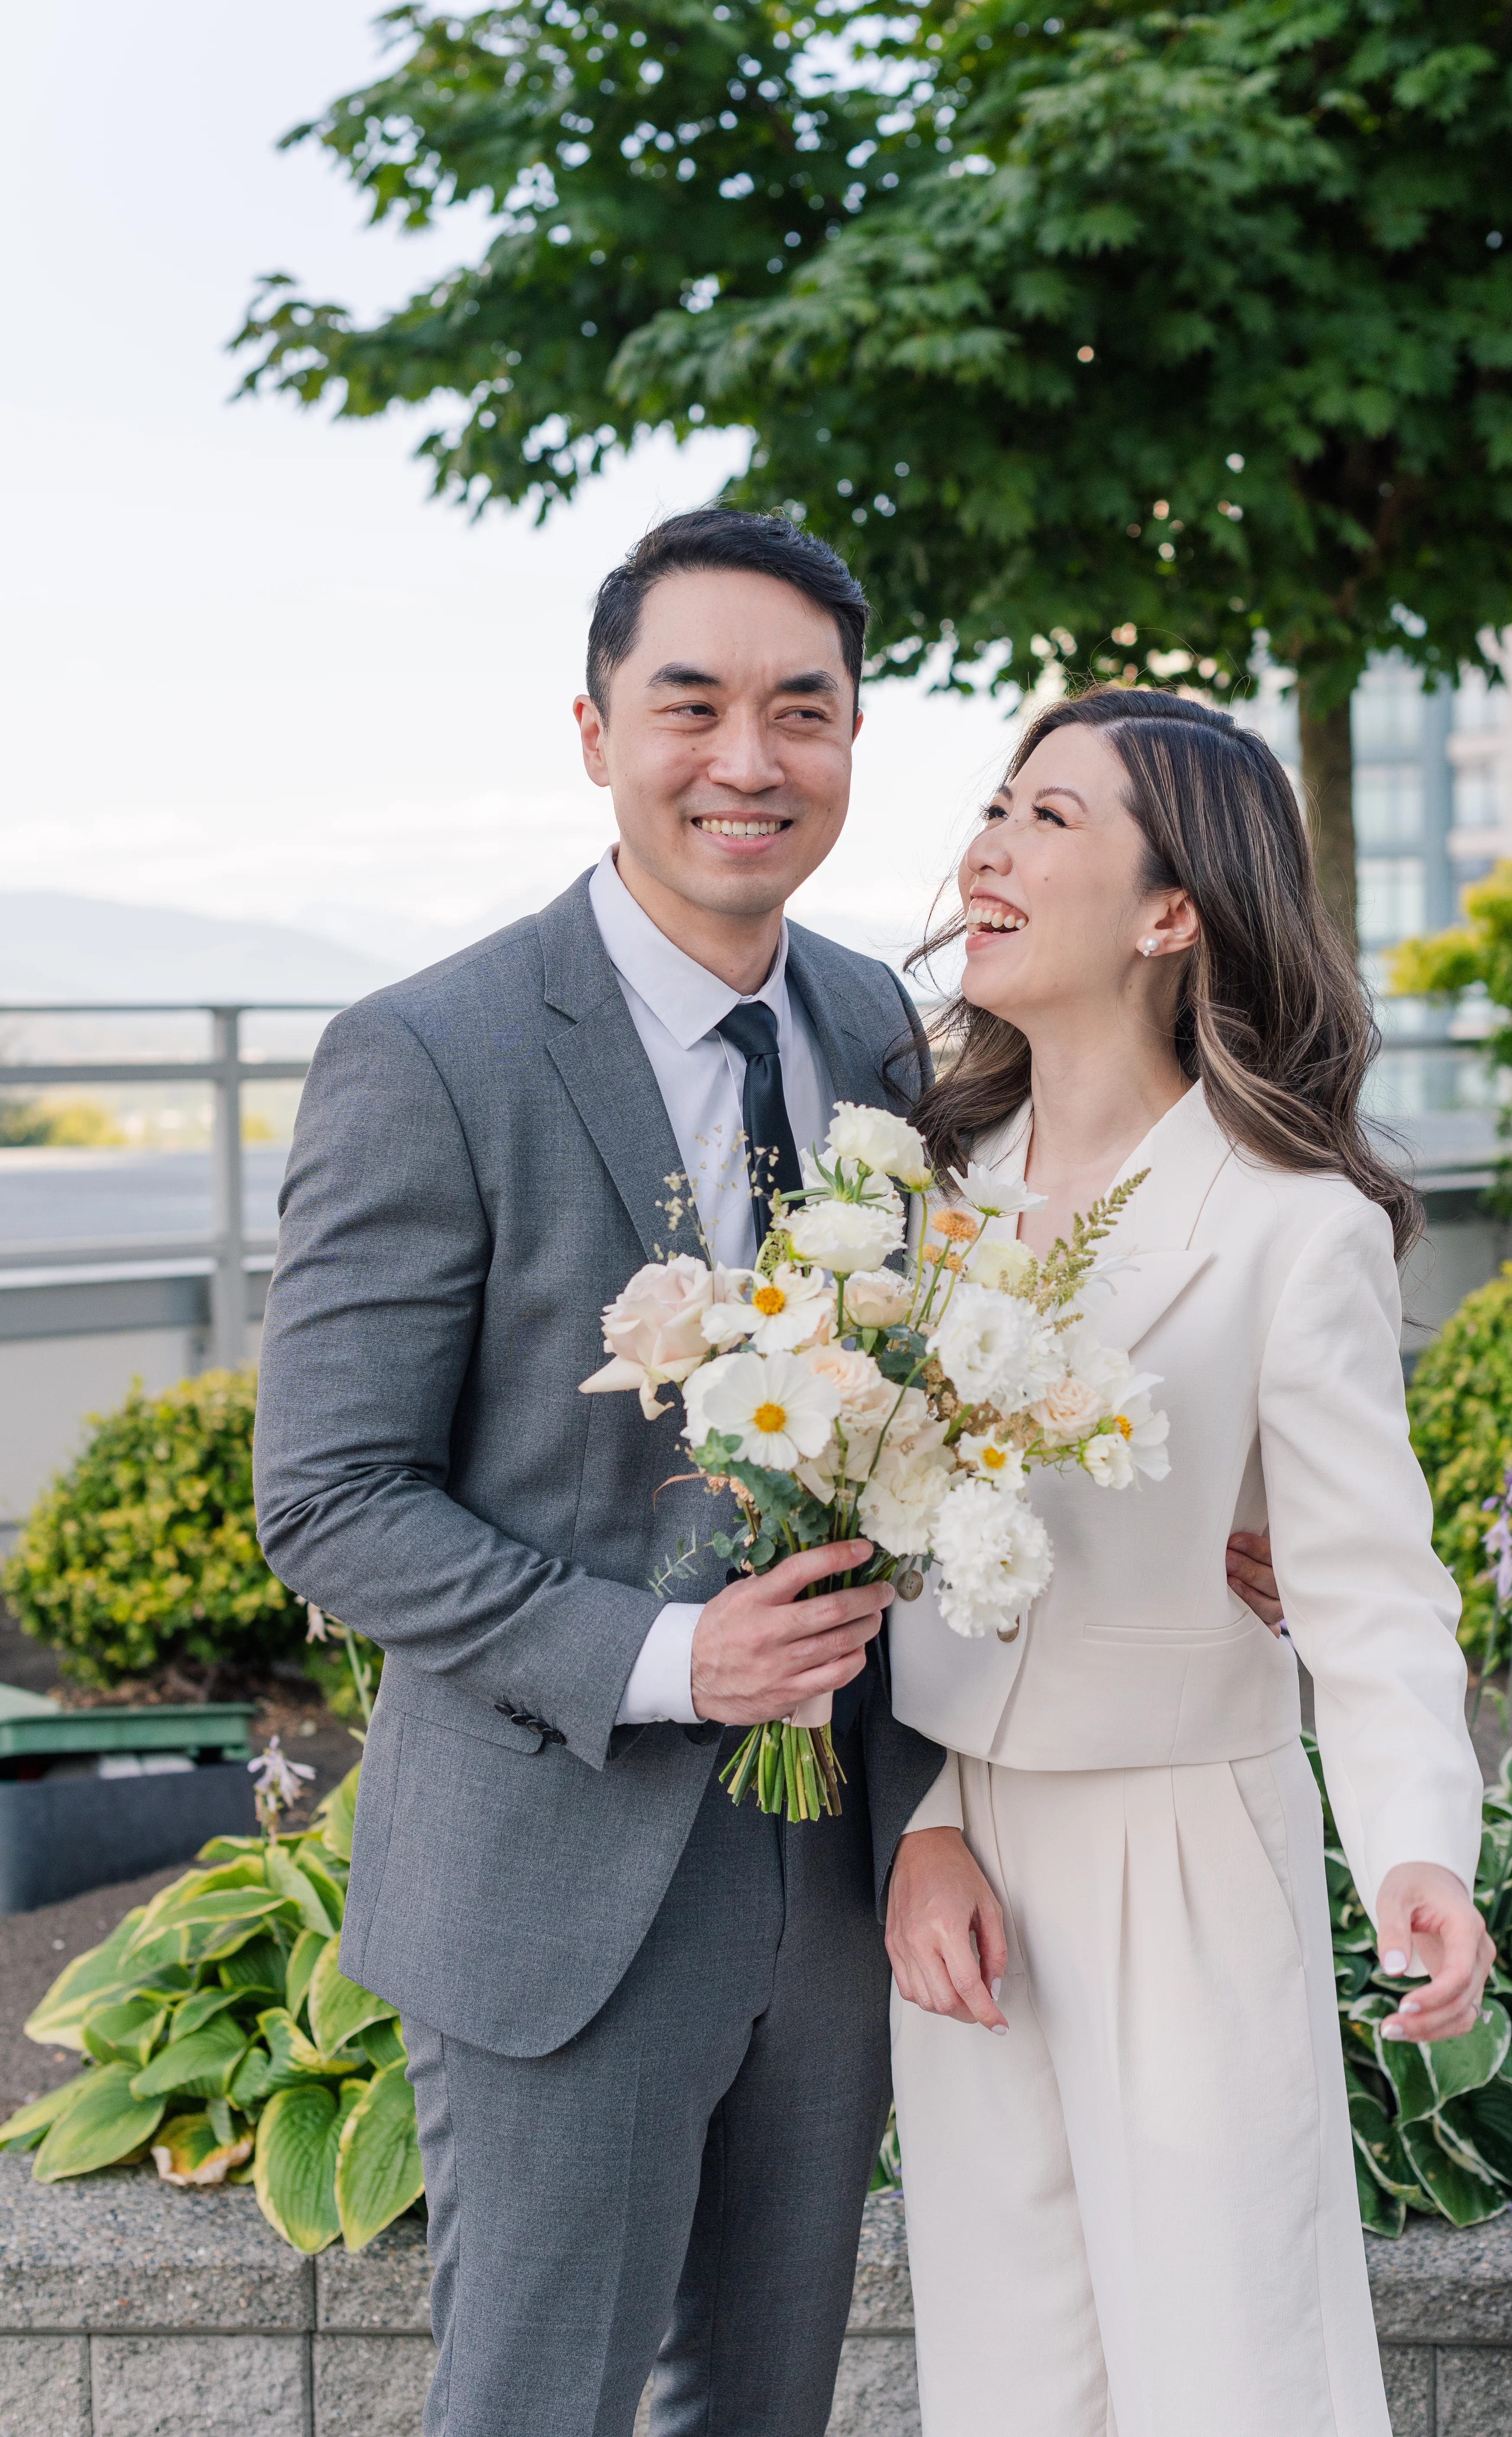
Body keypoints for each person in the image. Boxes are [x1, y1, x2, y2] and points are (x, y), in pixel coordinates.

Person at [252, 508, 946, 2437]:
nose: (749, 758)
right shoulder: (429, 1050)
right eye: (692, 703)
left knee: (764, 2406)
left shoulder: (874, 1025)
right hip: (560, 1871)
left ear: (849, 740)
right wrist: (666, 1661)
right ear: (592, 730)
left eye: (800, 710)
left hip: (831, 1872)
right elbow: (326, 1492)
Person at [882, 685, 1492, 2437]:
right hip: (960, 1878)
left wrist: (1411, 1851)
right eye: (996, 805)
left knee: (1230, 2377)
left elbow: (1368, 1587)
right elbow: (865, 1557)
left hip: (1180, 1850)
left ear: (1173, 912)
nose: (987, 846)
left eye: (1050, 818)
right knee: (1008, 2385)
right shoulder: (913, 1195)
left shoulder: (1292, 1227)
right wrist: (919, 1824)